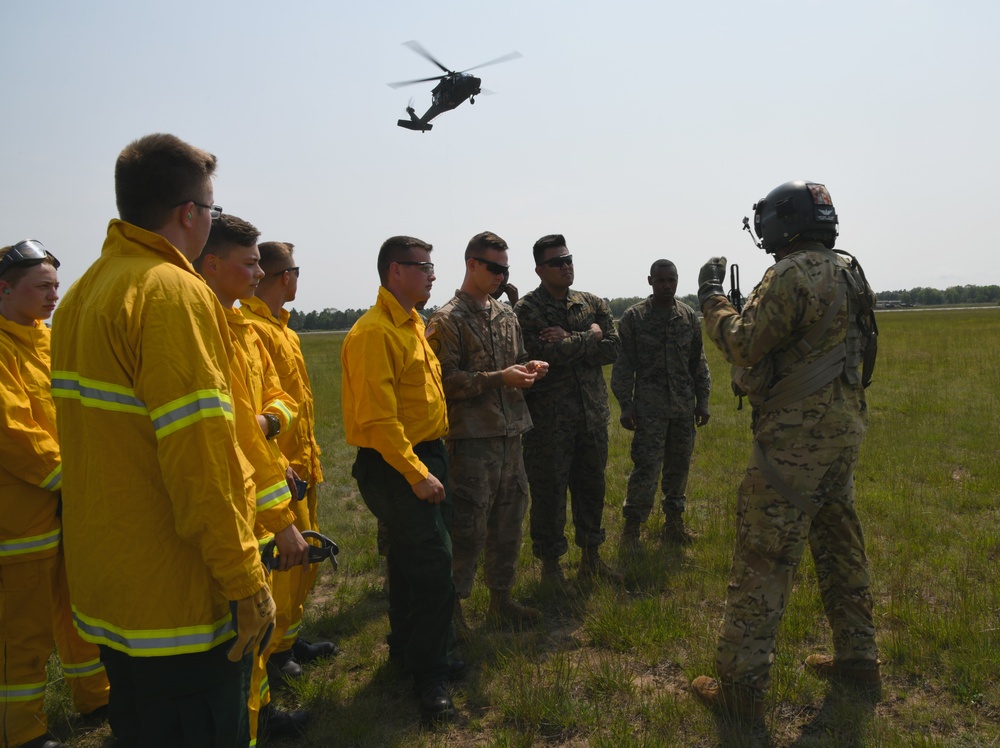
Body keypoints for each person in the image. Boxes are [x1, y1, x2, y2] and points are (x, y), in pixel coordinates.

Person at [51, 134, 274, 748]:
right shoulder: (172, 292)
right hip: (176, 602)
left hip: (112, 591)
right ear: (188, 214)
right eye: (214, 210)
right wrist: (244, 579)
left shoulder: (81, 294)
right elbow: (200, 458)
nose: (213, 220)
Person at [690, 181, 880, 722]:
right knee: (840, 542)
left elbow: (745, 343)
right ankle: (859, 659)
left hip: (795, 443)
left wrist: (712, 299)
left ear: (781, 223)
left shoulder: (791, 273)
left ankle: (740, 690)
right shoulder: (849, 270)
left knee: (762, 557)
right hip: (842, 432)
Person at [195, 215, 311, 742]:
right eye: (251, 264)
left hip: (267, 479)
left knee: (262, 609)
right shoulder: (206, 326)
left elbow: (281, 401)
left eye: (265, 264)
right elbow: (231, 426)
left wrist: (271, 425)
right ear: (212, 264)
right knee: (247, 614)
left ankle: (259, 716)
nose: (260, 273)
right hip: (240, 493)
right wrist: (266, 426)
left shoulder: (244, 328)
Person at [341, 236, 458, 722]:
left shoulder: (413, 325)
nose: (433, 274)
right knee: (434, 567)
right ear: (395, 271)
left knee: (413, 562)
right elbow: (380, 421)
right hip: (397, 463)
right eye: (424, 266)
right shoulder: (375, 333)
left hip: (424, 454)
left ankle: (407, 653)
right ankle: (431, 674)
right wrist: (417, 474)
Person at [0, 241, 109, 748]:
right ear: (4, 289)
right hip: (21, 521)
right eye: (41, 287)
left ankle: (96, 695)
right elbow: (15, 433)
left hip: (69, 503)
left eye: (55, 286)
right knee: (23, 633)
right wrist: (74, 477)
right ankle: (20, 732)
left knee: (81, 608)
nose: (54, 295)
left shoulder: (49, 339)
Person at [425, 231, 549, 633]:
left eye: (505, 269)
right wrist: (500, 378)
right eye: (494, 268)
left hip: (511, 434)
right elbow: (443, 382)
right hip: (471, 440)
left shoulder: (505, 314)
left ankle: (501, 598)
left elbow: (515, 361)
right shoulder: (447, 320)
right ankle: (454, 608)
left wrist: (530, 369)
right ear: (472, 265)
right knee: (468, 526)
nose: (501, 276)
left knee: (509, 521)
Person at [240, 241, 336, 684]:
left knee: (304, 562)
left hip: (302, 463)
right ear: (285, 276)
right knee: (284, 563)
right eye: (295, 271)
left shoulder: (284, 329)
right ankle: (276, 652)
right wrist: (279, 462)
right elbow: (253, 411)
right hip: (280, 469)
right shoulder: (250, 328)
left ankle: (291, 638)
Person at [514, 234, 622, 590]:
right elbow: (543, 357)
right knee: (549, 494)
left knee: (592, 489)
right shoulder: (527, 309)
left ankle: (592, 559)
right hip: (548, 423)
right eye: (557, 262)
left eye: (568, 259)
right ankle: (551, 569)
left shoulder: (591, 301)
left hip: (592, 417)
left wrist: (570, 337)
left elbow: (614, 348)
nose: (566, 266)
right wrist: (589, 336)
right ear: (539, 269)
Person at [611, 260, 711, 551]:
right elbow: (623, 364)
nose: (667, 285)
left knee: (679, 468)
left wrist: (702, 401)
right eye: (661, 280)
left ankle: (674, 524)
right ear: (650, 281)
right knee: (646, 469)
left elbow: (698, 363)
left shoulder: (688, 316)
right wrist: (626, 405)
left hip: (682, 409)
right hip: (649, 409)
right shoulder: (634, 317)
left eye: (672, 280)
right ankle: (632, 529)